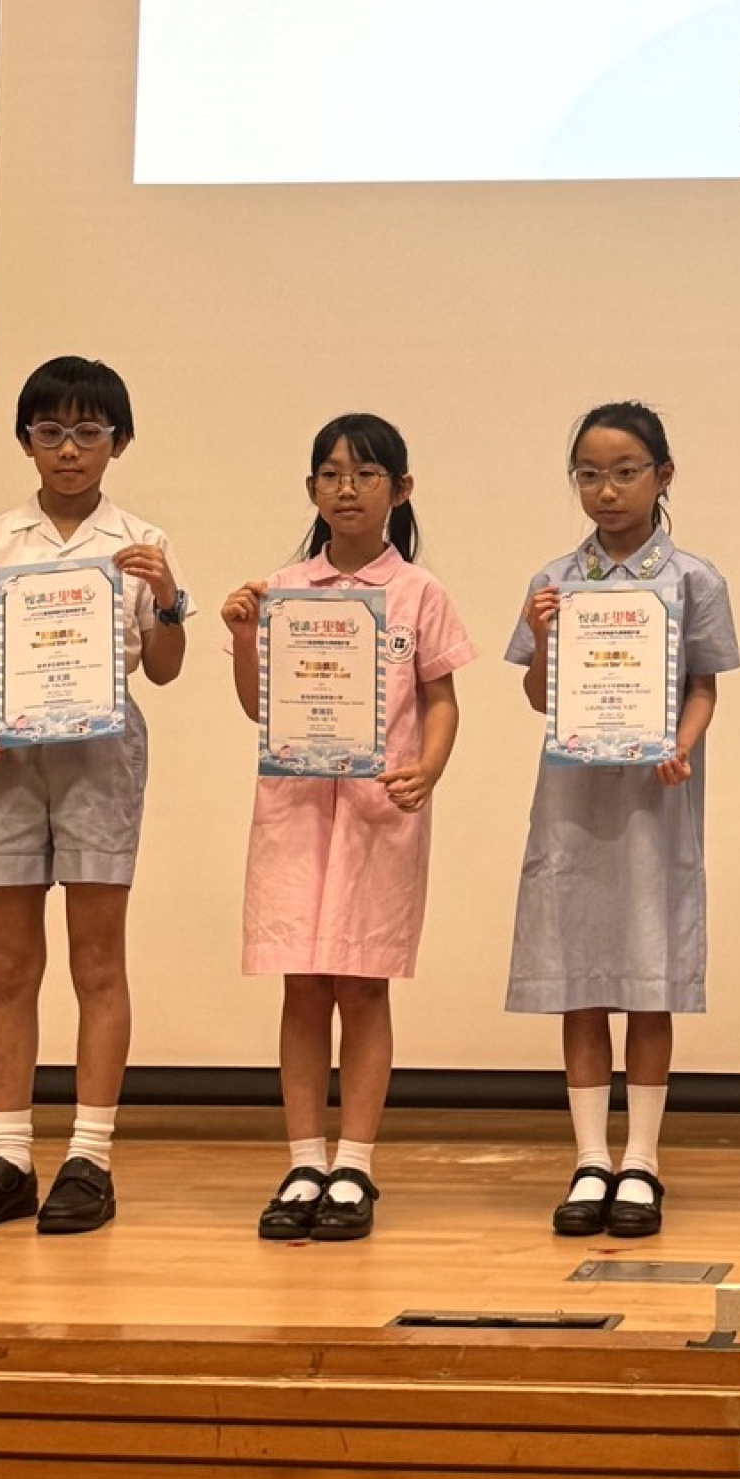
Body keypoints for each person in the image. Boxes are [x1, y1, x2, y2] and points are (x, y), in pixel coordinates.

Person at [0, 355, 189, 1235]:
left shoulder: (141, 541)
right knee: (9, 964)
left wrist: (168, 599)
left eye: (88, 432)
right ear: (26, 442)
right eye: (51, 432)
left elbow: (164, 668)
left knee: (97, 960)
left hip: (100, 758)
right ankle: (9, 1156)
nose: (69, 449)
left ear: (119, 441)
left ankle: (90, 1157)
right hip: (6, 758)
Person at [224, 414, 472, 1242]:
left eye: (366, 475)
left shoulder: (420, 593)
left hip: (378, 814)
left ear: (400, 490)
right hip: (296, 810)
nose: (347, 489)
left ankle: (355, 1164)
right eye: (331, 474)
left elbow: (441, 699)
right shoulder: (282, 589)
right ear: (311, 490)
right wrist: (243, 638)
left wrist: (429, 768)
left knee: (363, 986)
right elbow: (258, 707)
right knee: (302, 984)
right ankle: (304, 1162)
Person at [507, 402, 739, 1242]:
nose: (607, 491)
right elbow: (538, 697)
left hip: (652, 798)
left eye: (626, 472)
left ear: (662, 476)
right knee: (580, 977)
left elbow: (705, 685)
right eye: (590, 475)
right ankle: (589, 1157)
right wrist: (541, 640)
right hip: (574, 801)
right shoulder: (553, 580)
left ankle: (641, 1157)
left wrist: (682, 744)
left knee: (647, 973)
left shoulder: (694, 579)